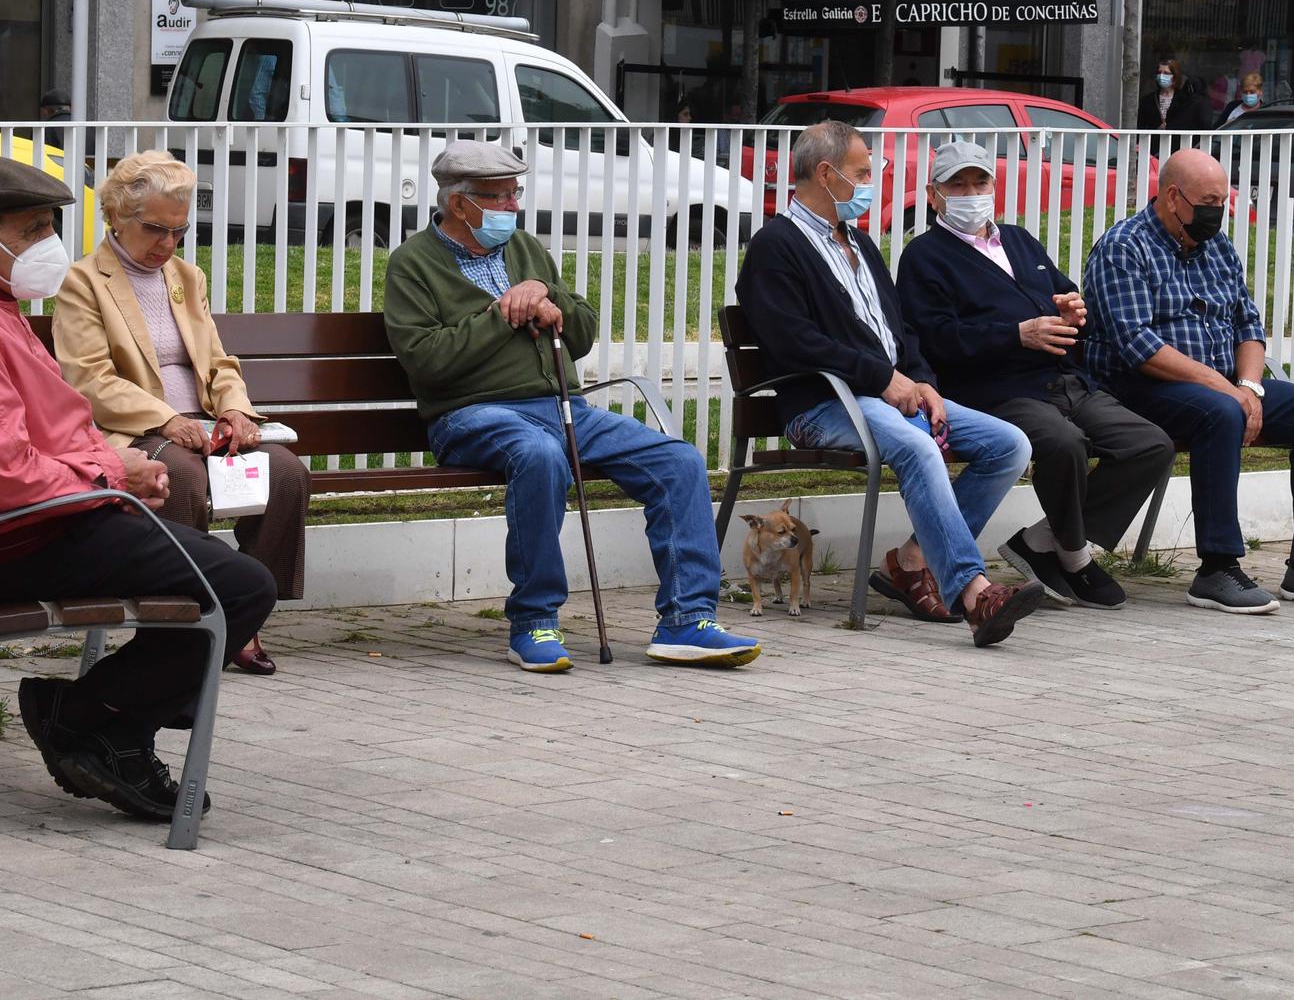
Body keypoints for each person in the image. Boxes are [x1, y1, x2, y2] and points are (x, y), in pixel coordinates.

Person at [0, 156, 276, 821]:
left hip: (31, 520)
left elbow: (48, 421)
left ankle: (113, 721)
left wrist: (115, 464)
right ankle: (86, 718)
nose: (50, 246)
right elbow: (8, 476)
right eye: (35, 229)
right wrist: (115, 475)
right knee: (240, 588)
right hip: (18, 537)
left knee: (222, 576)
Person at [382, 141, 759, 674]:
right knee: (539, 455)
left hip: (562, 407)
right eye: (500, 197)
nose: (512, 206)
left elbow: (579, 334)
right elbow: (427, 362)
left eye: (516, 193)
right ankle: (534, 620)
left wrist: (545, 294)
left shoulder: (527, 250)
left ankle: (686, 619)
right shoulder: (413, 264)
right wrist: (503, 315)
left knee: (679, 460)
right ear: (460, 203)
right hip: (470, 414)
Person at [735, 120, 1042, 647]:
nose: (872, 182)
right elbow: (796, 343)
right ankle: (974, 594)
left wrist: (922, 381)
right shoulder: (776, 246)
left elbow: (899, 330)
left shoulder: (858, 243)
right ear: (827, 174)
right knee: (919, 447)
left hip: (883, 394)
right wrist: (883, 379)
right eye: (862, 173)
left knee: (1009, 444)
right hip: (823, 403)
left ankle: (910, 562)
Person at [1081, 149, 1294, 614]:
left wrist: (1251, 388)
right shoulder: (1124, 247)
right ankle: (1217, 568)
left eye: (1222, 200)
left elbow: (1248, 326)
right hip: (1138, 388)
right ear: (1173, 197)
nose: (1217, 212)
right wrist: (1229, 392)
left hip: (1222, 384)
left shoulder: (1217, 246)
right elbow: (1137, 345)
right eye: (1209, 201)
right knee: (1219, 414)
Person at [52, 150, 307, 675]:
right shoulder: (83, 282)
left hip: (207, 426)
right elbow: (89, 379)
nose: (167, 244)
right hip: (140, 429)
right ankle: (180, 618)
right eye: (154, 230)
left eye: (179, 231)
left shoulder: (185, 277)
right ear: (116, 217)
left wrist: (237, 411)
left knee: (285, 474)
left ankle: (243, 617)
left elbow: (218, 364)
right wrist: (165, 418)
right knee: (180, 480)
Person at [896, 141, 1173, 610]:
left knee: (1151, 445)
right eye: (956, 184)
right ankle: (1076, 556)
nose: (970, 192)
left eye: (979, 181)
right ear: (933, 194)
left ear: (994, 187)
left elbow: (1061, 292)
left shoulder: (1019, 240)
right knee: (1064, 444)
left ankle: (1043, 541)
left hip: (1064, 380)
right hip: (994, 391)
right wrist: (1014, 335)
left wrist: (1072, 306)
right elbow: (934, 338)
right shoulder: (925, 256)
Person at [1135, 57, 1185, 132]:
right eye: (1159, 72)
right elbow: (1141, 126)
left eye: (1166, 73)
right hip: (1153, 141)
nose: (1161, 76)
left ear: (1175, 76)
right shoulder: (1147, 100)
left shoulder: (1184, 99)